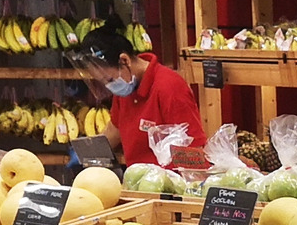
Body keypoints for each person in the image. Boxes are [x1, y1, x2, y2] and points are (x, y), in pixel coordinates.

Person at [73, 18, 205, 165]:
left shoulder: (169, 87)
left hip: (167, 184)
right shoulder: (125, 90)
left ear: (124, 61)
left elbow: (194, 148)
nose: (110, 86)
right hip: (137, 182)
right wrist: (88, 153)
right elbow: (114, 129)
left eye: (109, 80)